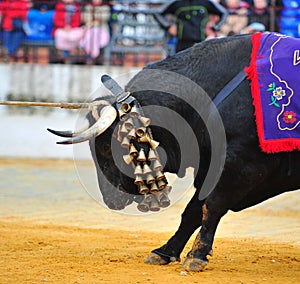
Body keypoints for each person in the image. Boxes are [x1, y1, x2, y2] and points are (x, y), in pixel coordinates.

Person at [154, 0, 228, 53]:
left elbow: (224, 13)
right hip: (182, 43)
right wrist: (168, 27)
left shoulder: (205, 3)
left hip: (200, 42)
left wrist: (214, 28)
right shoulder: (177, 3)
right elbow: (157, 13)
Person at [80, 0, 110, 65]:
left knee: (95, 34)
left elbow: (104, 18)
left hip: (102, 30)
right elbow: (84, 18)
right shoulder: (88, 7)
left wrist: (93, 17)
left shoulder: (105, 7)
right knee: (87, 35)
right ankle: (89, 56)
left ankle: (93, 57)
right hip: (89, 29)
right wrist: (94, 20)